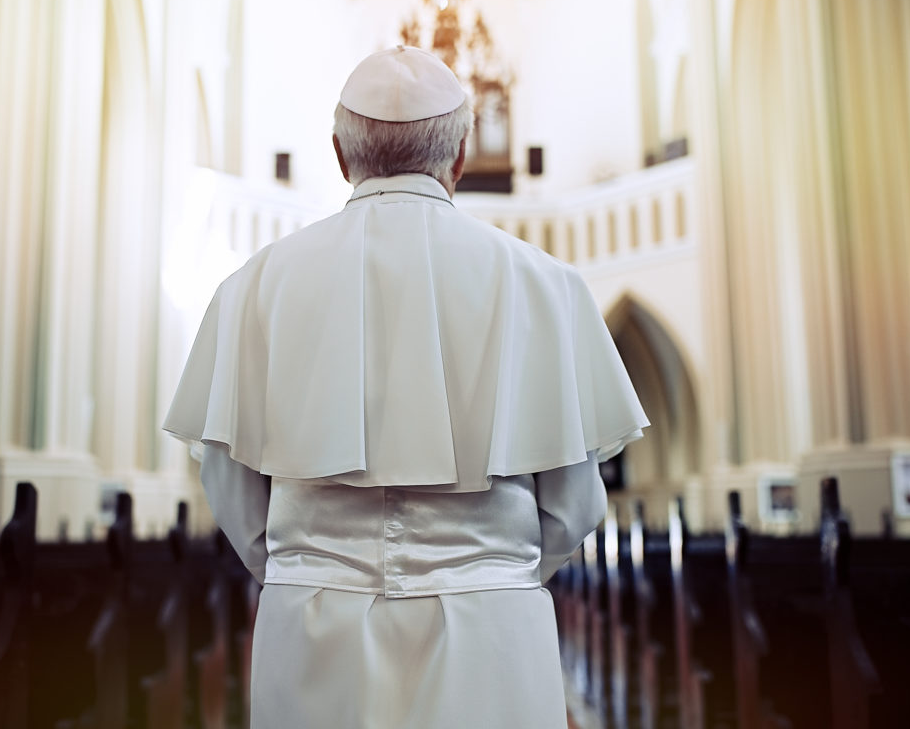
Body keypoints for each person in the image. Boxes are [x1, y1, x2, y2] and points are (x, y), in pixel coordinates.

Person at [163, 45, 648, 728]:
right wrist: (493, 572)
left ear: (338, 154)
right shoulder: (547, 286)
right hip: (494, 633)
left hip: (311, 632)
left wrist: (309, 568)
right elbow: (574, 508)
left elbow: (231, 490)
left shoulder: (254, 288)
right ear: (461, 156)